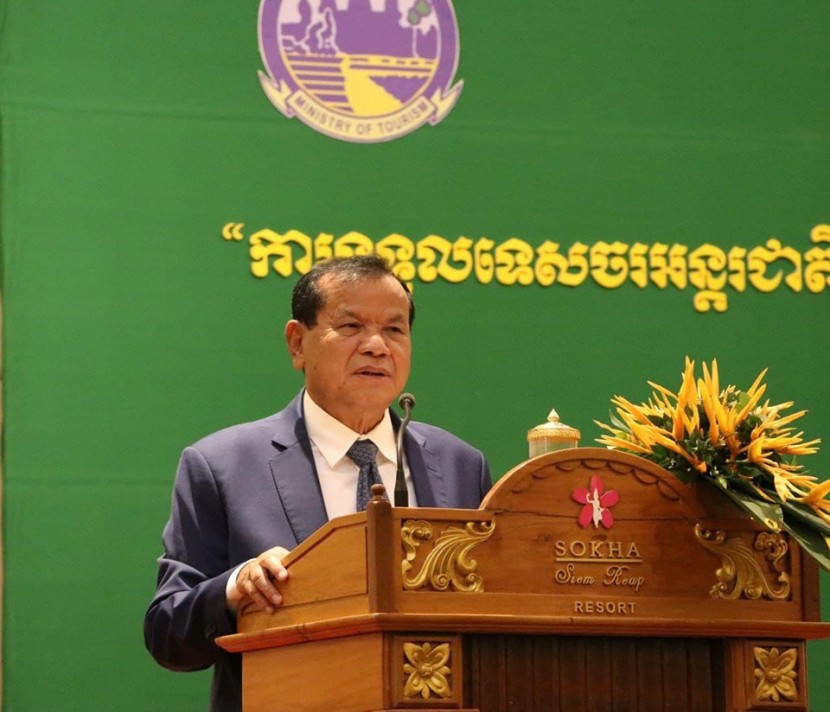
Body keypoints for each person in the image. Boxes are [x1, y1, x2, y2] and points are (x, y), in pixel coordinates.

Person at [144, 254, 492, 711]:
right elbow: (168, 635)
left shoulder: (461, 465)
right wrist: (235, 589)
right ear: (297, 343)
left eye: (394, 329)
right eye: (351, 327)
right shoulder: (221, 465)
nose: (377, 346)